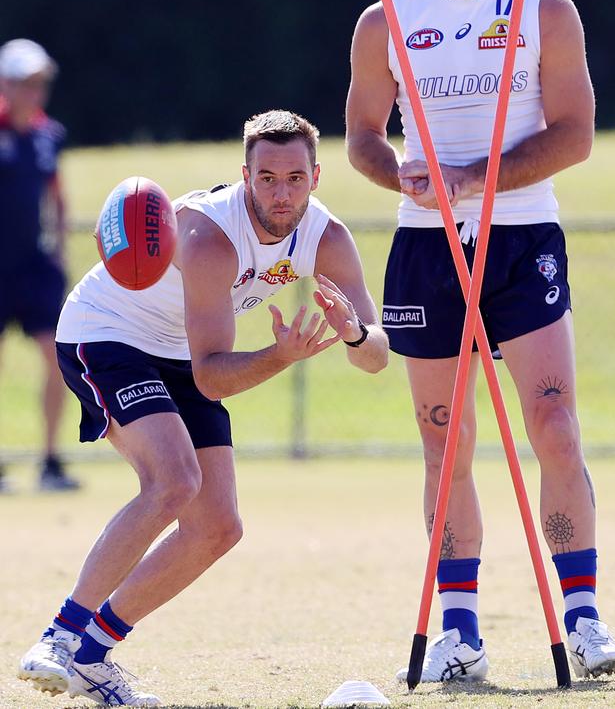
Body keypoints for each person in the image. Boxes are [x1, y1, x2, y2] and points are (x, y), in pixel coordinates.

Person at [346, 0, 615, 683]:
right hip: (425, 245)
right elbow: (362, 132)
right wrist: (395, 169)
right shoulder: (386, 18)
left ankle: (581, 616)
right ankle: (459, 631)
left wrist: (481, 179)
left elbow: (574, 133)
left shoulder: (546, 7)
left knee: (554, 422)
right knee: (447, 442)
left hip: (519, 235)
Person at [18, 109, 389, 706]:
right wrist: (281, 354)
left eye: (294, 178)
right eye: (266, 178)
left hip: (179, 351)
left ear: (316, 176)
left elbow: (377, 355)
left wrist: (354, 335)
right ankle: (58, 639)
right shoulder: (208, 234)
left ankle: (90, 658)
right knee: (173, 482)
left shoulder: (327, 236)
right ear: (245, 176)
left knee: (218, 526)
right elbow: (213, 377)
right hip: (108, 332)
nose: (281, 192)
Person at [0, 38, 79, 492]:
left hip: (32, 266)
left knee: (57, 358)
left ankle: (50, 460)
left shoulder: (49, 135)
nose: (35, 92)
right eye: (26, 83)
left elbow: (56, 192)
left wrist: (59, 246)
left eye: (40, 83)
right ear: (6, 84)